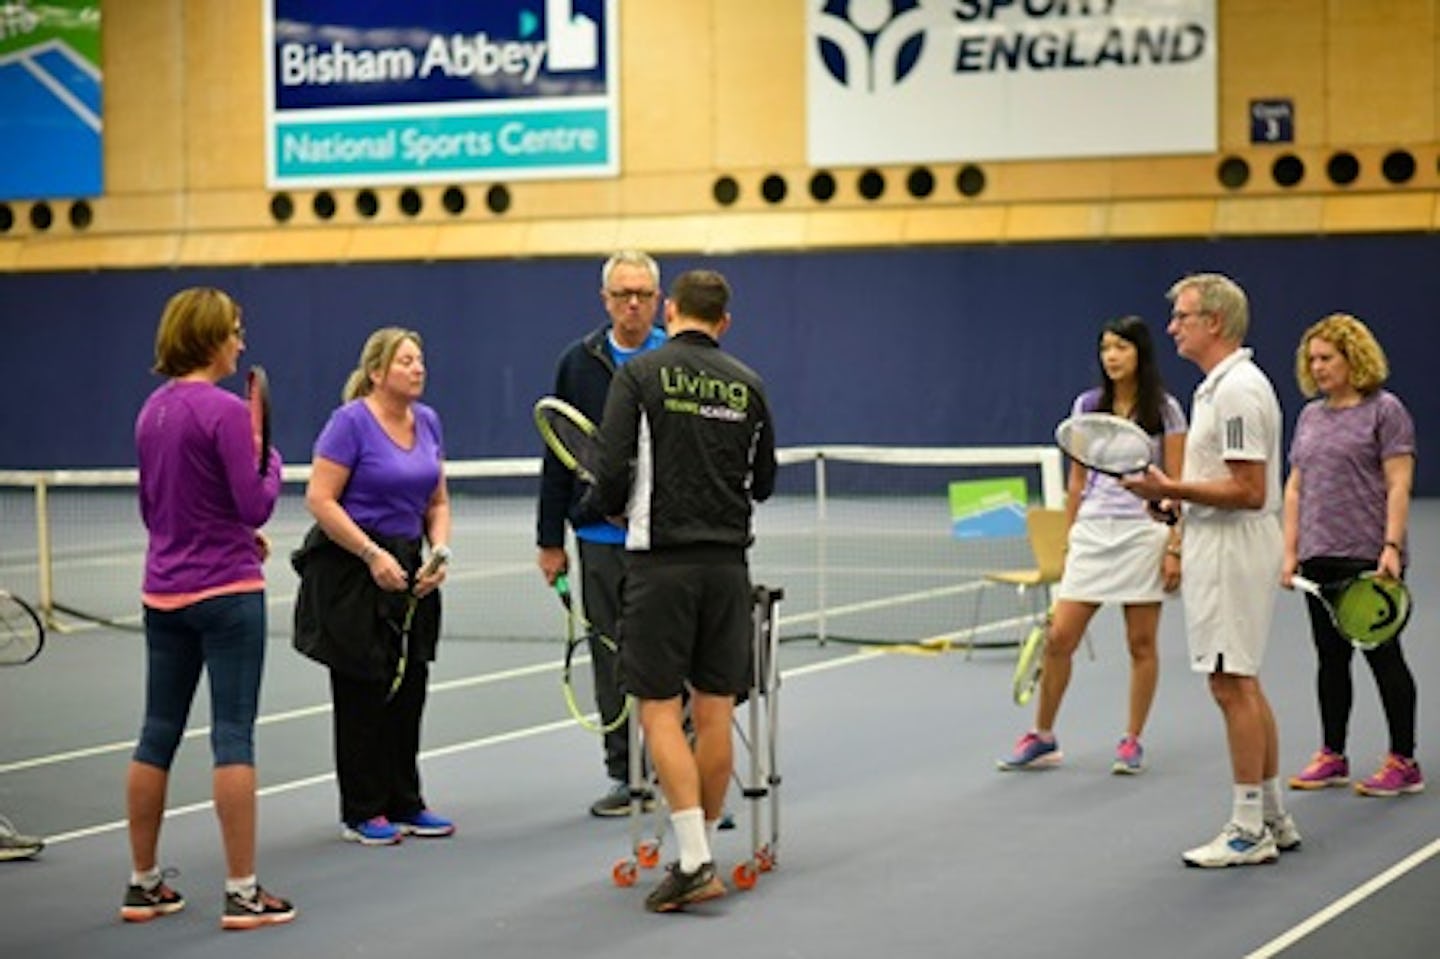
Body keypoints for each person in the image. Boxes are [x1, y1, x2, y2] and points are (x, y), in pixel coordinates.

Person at [586, 269, 777, 912]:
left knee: (659, 710)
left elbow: (611, 471)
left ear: (671, 311)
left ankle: (693, 858)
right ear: (724, 320)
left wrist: (601, 505)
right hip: (729, 568)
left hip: (659, 566)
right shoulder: (749, 385)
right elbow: (765, 482)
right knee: (716, 710)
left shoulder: (638, 377)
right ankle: (698, 857)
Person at [125, 287, 295, 929]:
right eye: (234, 331)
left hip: (162, 594)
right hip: (226, 595)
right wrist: (271, 463)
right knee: (233, 737)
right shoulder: (224, 413)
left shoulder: (151, 412)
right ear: (209, 337)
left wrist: (223, 529)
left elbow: (154, 510)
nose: (240, 342)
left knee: (155, 732)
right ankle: (243, 892)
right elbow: (253, 502)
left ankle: (142, 885)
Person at [1123, 272, 1300, 868]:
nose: (1172, 327)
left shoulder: (1236, 392)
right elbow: (1225, 482)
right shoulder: (1215, 389)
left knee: (1230, 683)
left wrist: (1171, 484)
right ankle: (1274, 814)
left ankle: (1248, 828)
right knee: (1242, 678)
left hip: (1233, 547)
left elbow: (1249, 490)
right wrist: (1177, 500)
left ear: (1215, 323)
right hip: (1219, 538)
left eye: (1183, 317)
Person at [998, 315, 1186, 774]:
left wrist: (1174, 546)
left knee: (1140, 643)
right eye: (1105, 349)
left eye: (1121, 347)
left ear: (1140, 352)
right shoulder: (1086, 406)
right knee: (1060, 639)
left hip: (1143, 533)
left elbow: (1176, 485)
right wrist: (1068, 538)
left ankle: (1131, 739)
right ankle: (1043, 736)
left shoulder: (1165, 410)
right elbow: (1078, 481)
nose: (1112, 357)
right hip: (1093, 533)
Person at [293, 327, 453, 846]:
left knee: (410, 687)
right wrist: (370, 553)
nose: (418, 367)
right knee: (362, 689)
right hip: (350, 566)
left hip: (410, 566)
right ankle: (361, 810)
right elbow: (320, 498)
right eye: (406, 360)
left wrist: (440, 554)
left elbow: (437, 502)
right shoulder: (349, 424)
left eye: (420, 358)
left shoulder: (427, 421)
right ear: (378, 372)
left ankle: (406, 800)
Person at [536, 250, 668, 817]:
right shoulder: (578, 362)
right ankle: (624, 774)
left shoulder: (678, 358)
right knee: (610, 657)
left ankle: (677, 768)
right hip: (597, 539)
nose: (632, 303)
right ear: (605, 300)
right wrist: (550, 540)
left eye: (641, 293)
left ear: (658, 299)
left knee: (669, 657)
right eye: (622, 294)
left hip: (665, 540)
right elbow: (558, 452)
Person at [1282, 313, 1422, 797]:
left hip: (1368, 555)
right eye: (1312, 359)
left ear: (1352, 358)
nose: (1318, 368)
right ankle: (1333, 755)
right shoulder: (1310, 417)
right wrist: (1290, 551)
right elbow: (1296, 487)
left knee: (1384, 657)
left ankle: (1403, 761)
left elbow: (1399, 481)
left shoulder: (1385, 411)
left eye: (1328, 358)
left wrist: (1391, 546)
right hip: (1318, 557)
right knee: (1330, 659)